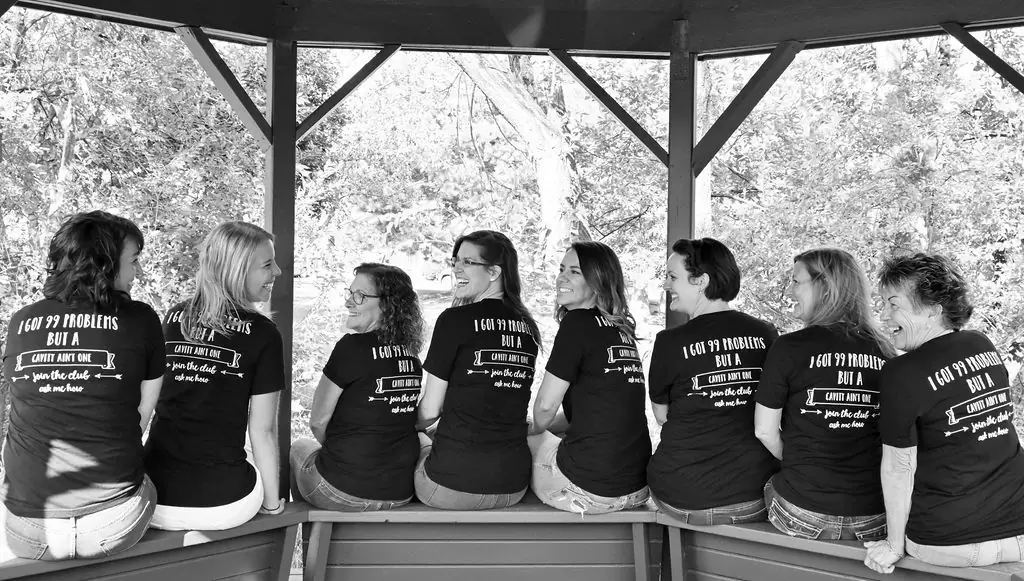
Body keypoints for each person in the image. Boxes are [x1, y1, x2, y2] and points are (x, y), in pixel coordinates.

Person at [1, 211, 163, 560]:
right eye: (133, 262)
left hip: (28, 531)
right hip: (113, 525)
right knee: (151, 477)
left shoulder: (22, 321)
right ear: (104, 265)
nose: (137, 273)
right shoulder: (141, 320)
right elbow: (142, 416)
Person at [864, 254, 1024, 573]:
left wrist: (894, 545)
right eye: (882, 304)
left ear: (934, 310)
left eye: (894, 304)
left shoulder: (902, 372)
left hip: (950, 540)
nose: (884, 315)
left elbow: (899, 467)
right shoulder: (981, 344)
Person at [144, 221, 284, 530]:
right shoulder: (263, 333)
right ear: (238, 270)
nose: (277, 272)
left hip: (153, 501)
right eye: (267, 264)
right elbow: (262, 431)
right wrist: (273, 506)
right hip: (222, 505)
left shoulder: (175, 315)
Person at [754, 248, 894, 541]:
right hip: (873, 516)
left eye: (796, 282)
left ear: (824, 286)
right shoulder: (886, 351)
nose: (790, 291)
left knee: (765, 484)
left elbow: (764, 431)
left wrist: (798, 462)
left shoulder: (789, 347)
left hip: (802, 514)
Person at [648, 238, 779, 524]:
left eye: (673, 277)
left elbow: (662, 416)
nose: (667, 285)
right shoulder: (766, 334)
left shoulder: (670, 342)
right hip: (753, 496)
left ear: (701, 281)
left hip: (682, 494)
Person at [416, 230, 540, 510]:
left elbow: (429, 411)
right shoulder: (528, 327)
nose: (456, 269)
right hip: (512, 486)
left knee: (416, 441)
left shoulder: (454, 320)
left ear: (494, 272)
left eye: (468, 263)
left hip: (451, 486)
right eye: (455, 261)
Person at [290, 263, 424, 511]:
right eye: (350, 294)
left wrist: (346, 455)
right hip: (400, 493)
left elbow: (318, 422)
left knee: (298, 448)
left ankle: (307, 539)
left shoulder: (351, 348)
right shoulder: (411, 356)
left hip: (341, 492)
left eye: (360, 296)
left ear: (387, 303)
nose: (349, 303)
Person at [529, 241, 650, 515]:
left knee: (518, 443)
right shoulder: (620, 331)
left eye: (574, 272)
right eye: (561, 269)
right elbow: (593, 413)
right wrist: (545, 427)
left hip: (587, 492)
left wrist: (533, 429)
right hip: (637, 488)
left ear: (597, 282)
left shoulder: (577, 324)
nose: (562, 277)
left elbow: (545, 407)